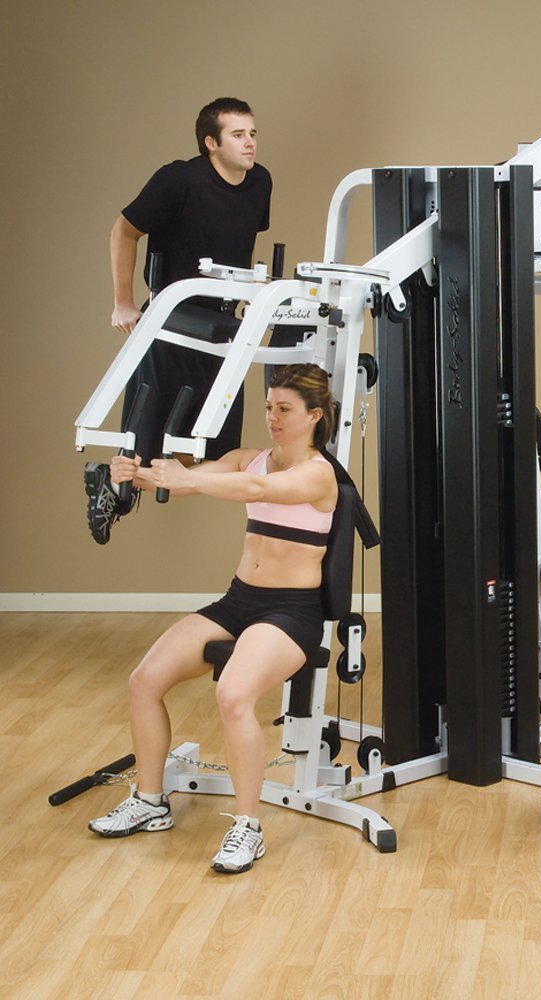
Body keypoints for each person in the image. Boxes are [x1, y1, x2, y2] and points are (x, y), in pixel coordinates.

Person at [88, 364, 338, 874]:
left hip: (291, 612)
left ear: (314, 415)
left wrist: (188, 478)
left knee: (233, 695)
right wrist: (134, 473)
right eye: (268, 407)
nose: (272, 417)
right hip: (238, 601)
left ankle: (248, 827)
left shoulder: (318, 473)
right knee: (144, 681)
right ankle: (150, 801)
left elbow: (256, 490)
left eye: (284, 409)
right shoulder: (250, 458)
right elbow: (187, 483)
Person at [85, 97, 273, 545]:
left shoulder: (260, 181)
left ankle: (115, 483)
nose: (249, 142)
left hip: (224, 326)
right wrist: (123, 302)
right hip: (173, 320)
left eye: (252, 133)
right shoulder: (179, 180)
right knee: (146, 443)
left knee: (213, 453)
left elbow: (239, 242)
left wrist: (251, 296)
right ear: (211, 143)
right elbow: (123, 230)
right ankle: (116, 483)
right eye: (237, 135)